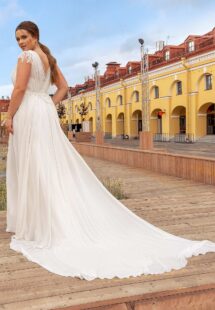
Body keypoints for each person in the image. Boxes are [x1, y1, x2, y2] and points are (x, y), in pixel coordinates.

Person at [5, 21, 215, 281]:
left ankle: (38, 225)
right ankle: (43, 219)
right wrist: (47, 103)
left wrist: (9, 116)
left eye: (24, 37)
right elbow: (63, 88)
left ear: (35, 36)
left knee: (34, 164)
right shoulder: (48, 58)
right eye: (17, 39)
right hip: (42, 113)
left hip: (28, 113)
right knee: (46, 164)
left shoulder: (26, 57)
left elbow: (19, 89)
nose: (21, 42)